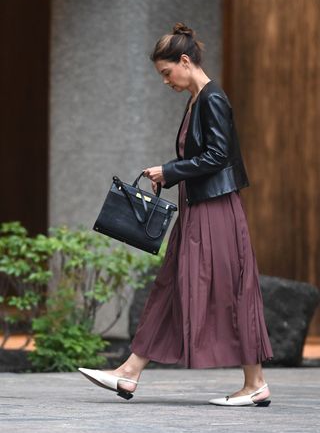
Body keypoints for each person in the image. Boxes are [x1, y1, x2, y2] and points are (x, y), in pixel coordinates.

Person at [79, 23, 273, 407]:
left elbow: (218, 156)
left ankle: (255, 384)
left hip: (216, 211)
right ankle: (129, 372)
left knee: (230, 289)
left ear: (185, 61)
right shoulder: (196, 99)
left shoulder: (212, 98)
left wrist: (169, 170)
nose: (165, 81)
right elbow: (201, 159)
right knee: (171, 284)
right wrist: (169, 174)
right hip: (197, 209)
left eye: (167, 73)